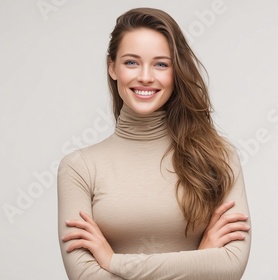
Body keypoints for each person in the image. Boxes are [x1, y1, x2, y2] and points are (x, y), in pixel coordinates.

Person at [57, 7, 251, 280]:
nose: (146, 77)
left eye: (161, 64)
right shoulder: (79, 168)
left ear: (176, 71)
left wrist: (114, 262)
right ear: (112, 67)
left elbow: (230, 266)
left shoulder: (218, 157)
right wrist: (201, 259)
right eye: (131, 62)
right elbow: (85, 277)